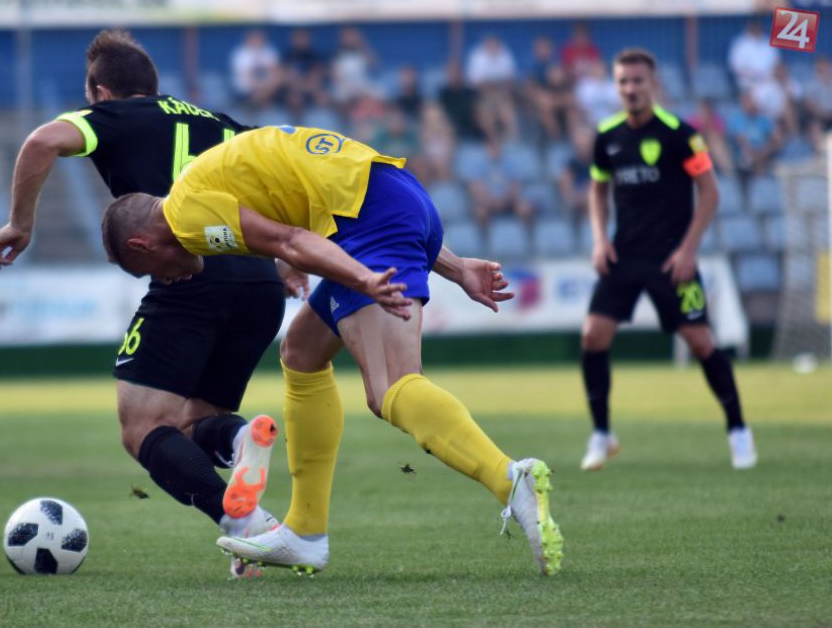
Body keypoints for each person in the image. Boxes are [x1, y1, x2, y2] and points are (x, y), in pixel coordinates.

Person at [100, 125, 566, 577]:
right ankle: (304, 533)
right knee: (301, 352)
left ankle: (511, 480)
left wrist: (361, 277)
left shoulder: (186, 217)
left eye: (149, 271)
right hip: (398, 196)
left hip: (371, 221)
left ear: (142, 244)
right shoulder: (199, 179)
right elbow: (321, 191)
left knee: (392, 389)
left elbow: (292, 240)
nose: (164, 280)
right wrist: (456, 265)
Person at [0, 30, 300, 578]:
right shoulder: (221, 123)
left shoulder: (117, 117)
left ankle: (249, 528)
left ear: (100, 92)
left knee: (143, 428)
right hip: (260, 284)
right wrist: (293, 254)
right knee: (199, 419)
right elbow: (285, 180)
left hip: (190, 276)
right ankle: (238, 439)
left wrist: (20, 223)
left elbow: (40, 143)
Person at [582, 48, 757, 472]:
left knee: (700, 342)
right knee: (593, 336)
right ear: (616, 86)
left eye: (637, 81)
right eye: (623, 81)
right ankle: (603, 434)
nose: (630, 89)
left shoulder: (682, 134)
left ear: (654, 85)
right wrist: (599, 239)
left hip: (672, 259)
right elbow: (597, 190)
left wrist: (688, 249)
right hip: (623, 255)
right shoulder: (607, 136)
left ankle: (738, 430)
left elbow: (710, 192)